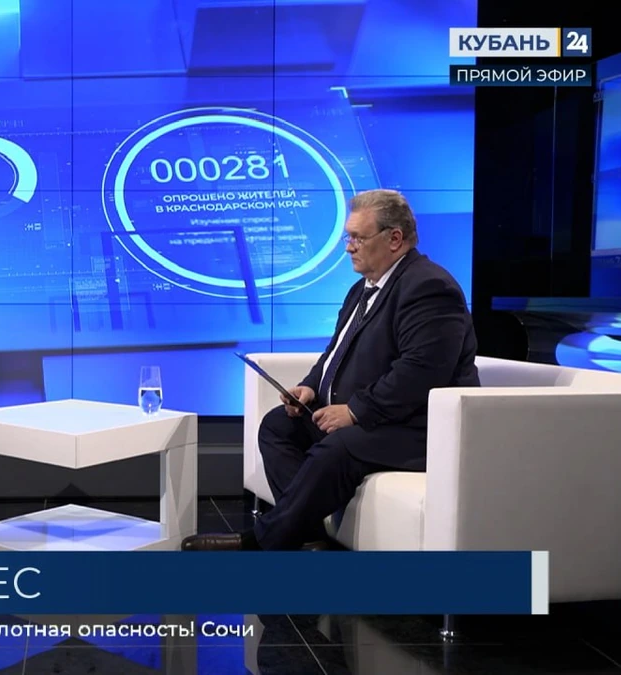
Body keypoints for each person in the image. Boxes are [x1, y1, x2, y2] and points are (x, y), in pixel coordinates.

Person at [181, 189, 479, 551]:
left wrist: (354, 411)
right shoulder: (362, 289)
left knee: (338, 447)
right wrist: (309, 387)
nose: (348, 247)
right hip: (380, 420)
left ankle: (261, 540)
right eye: (347, 238)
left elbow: (420, 372)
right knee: (278, 426)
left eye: (357, 238)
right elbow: (335, 352)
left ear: (394, 239)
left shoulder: (429, 287)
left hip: (414, 428)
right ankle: (308, 534)